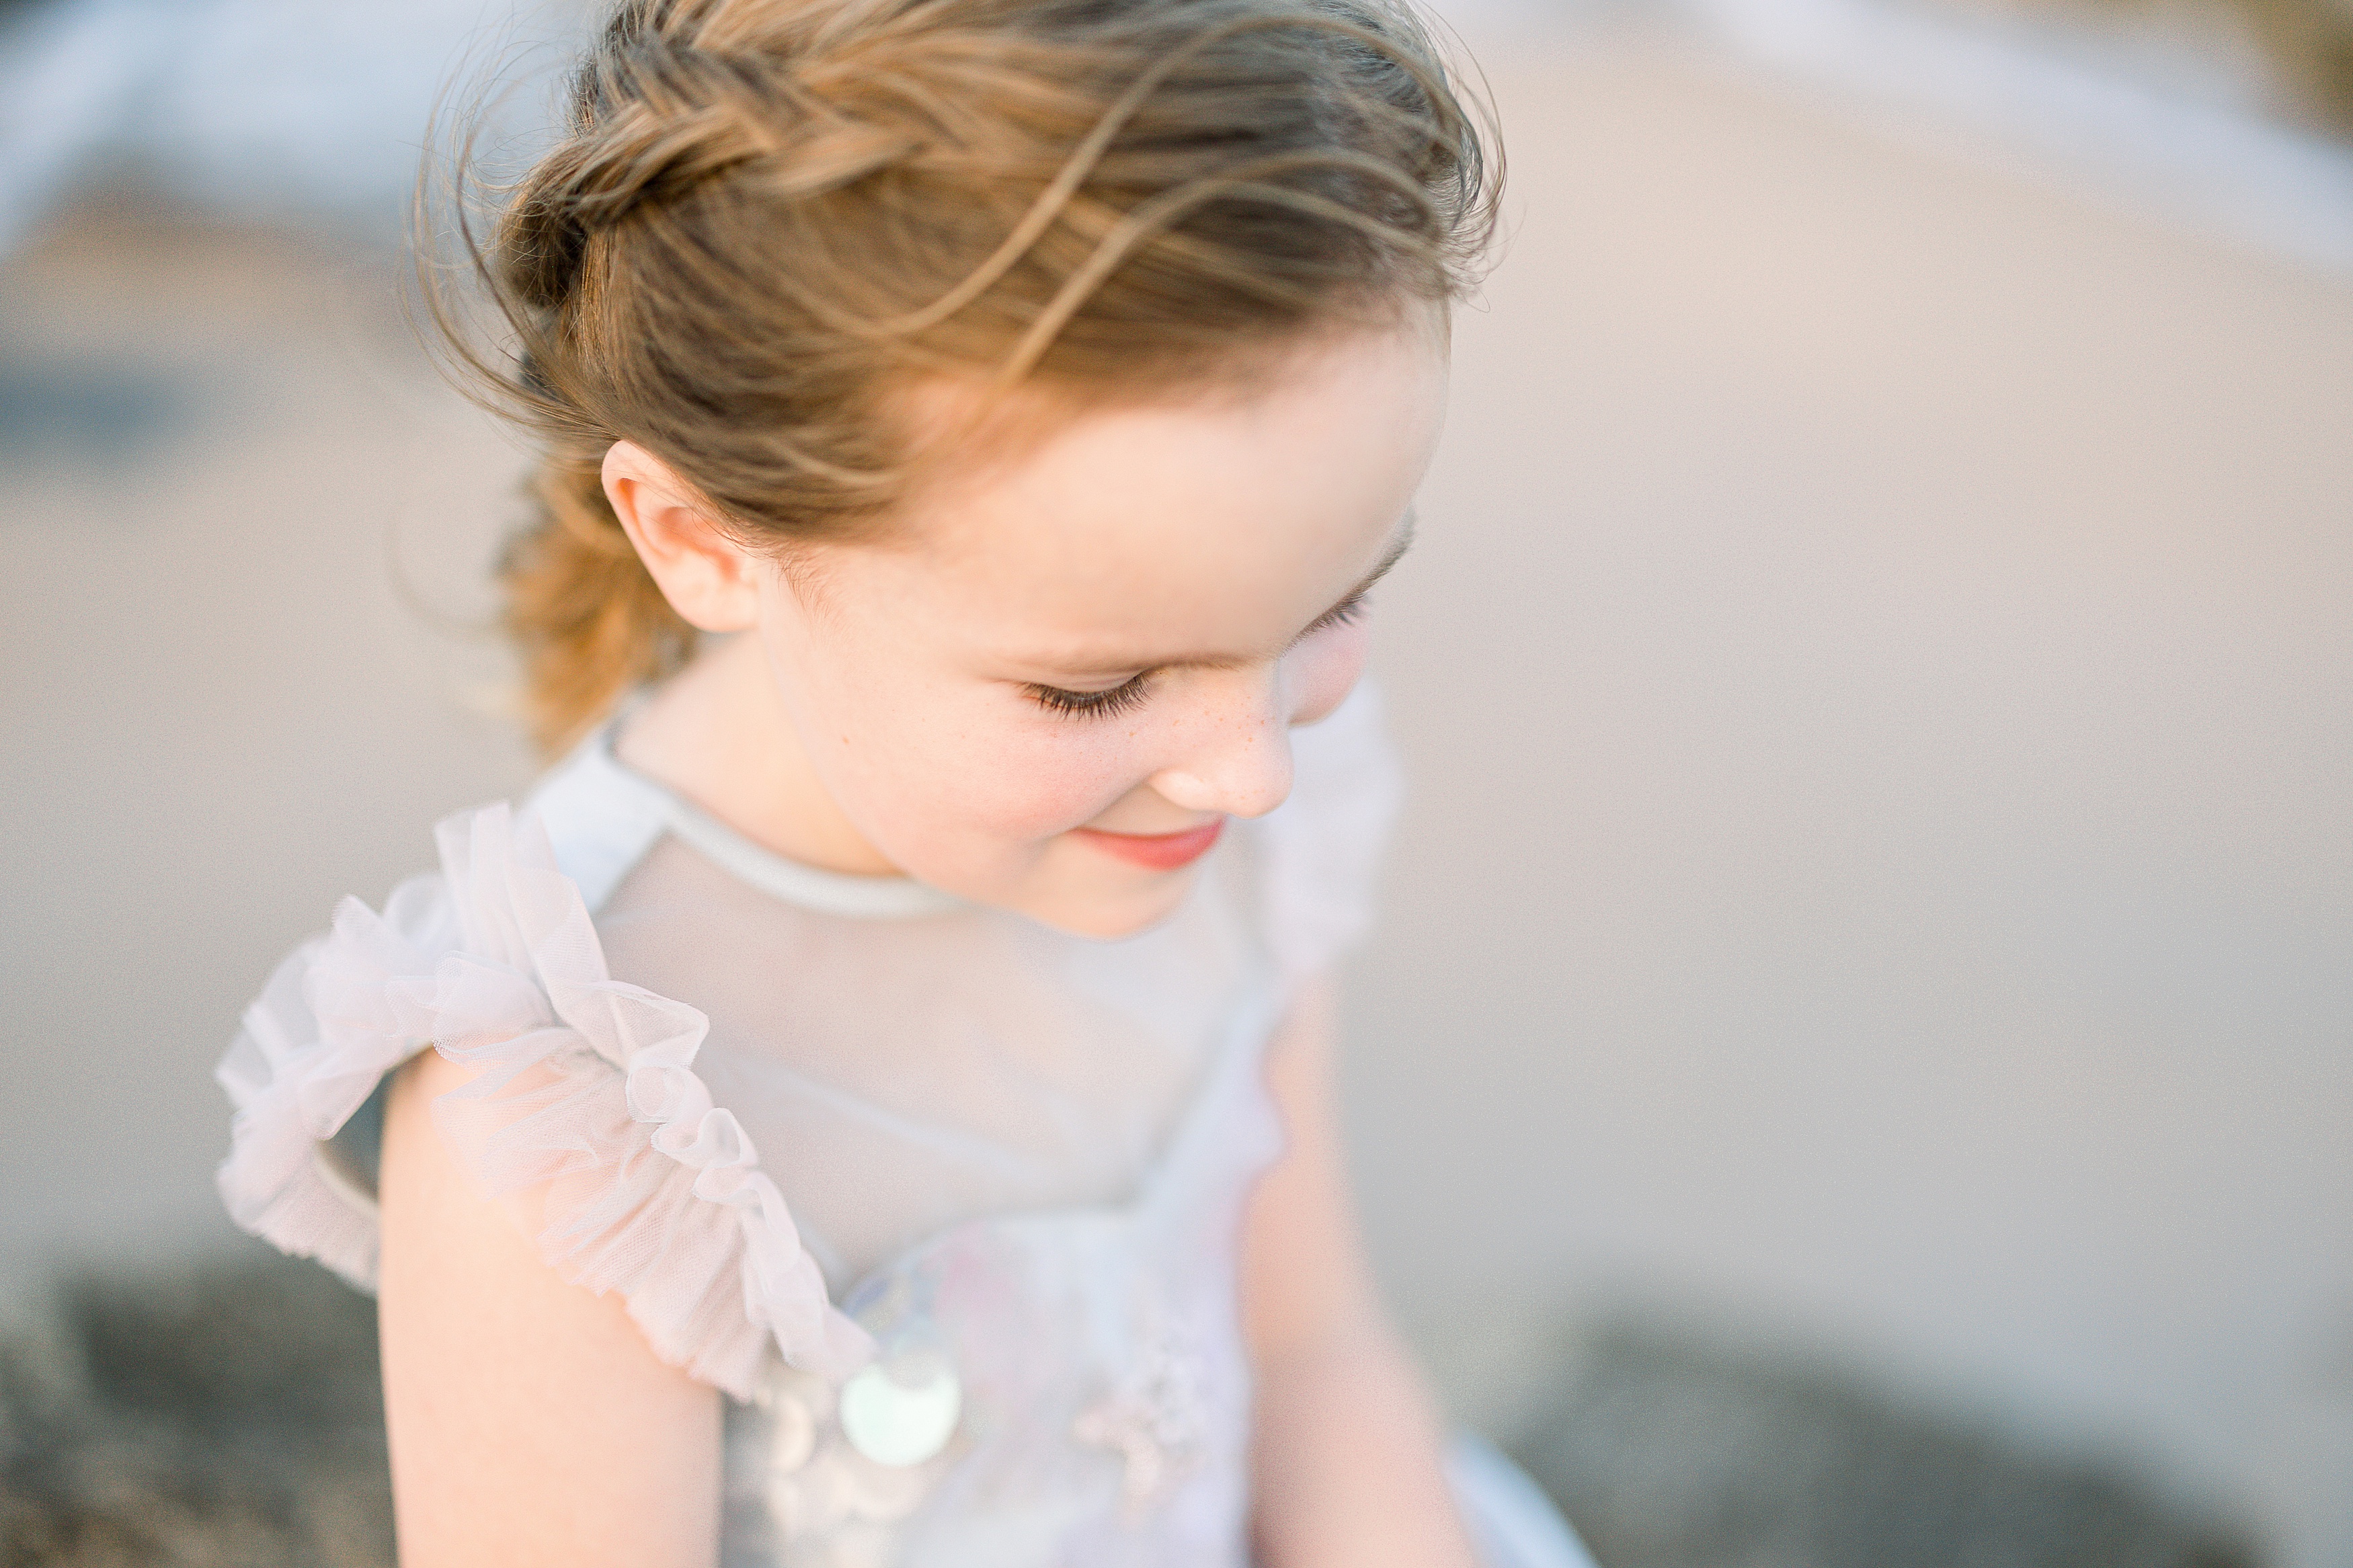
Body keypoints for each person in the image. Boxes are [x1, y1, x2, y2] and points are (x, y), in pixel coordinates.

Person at [215, 1, 1595, 1563]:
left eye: (1332, 607)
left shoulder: (1248, 811)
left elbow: (1309, 1349)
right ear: (701, 542)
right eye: (1094, 685)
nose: (1255, 767)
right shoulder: (571, 1114)